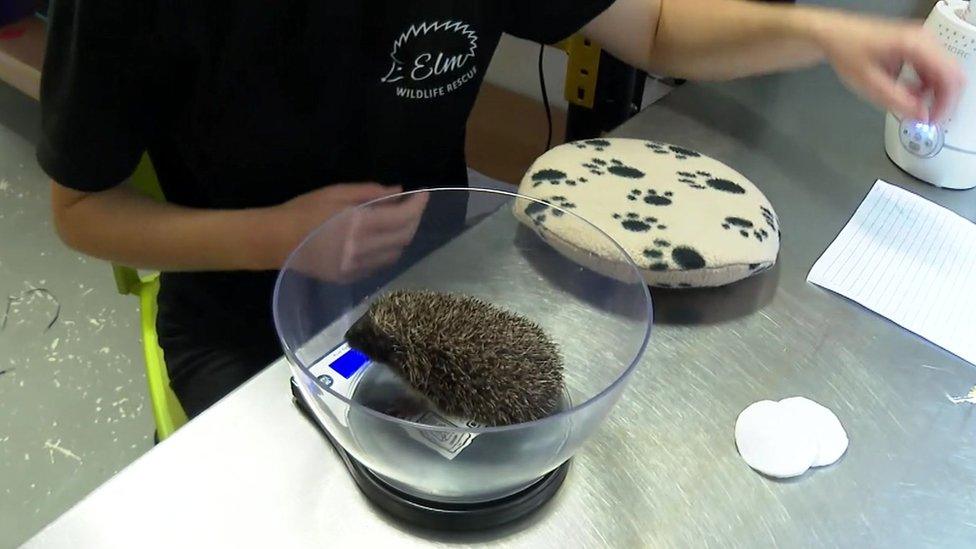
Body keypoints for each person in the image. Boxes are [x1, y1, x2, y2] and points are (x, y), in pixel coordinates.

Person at [38, 1, 963, 419]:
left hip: (444, 280)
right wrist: (276, 238)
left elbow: (654, 27)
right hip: (256, 326)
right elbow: (81, 209)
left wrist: (821, 34)